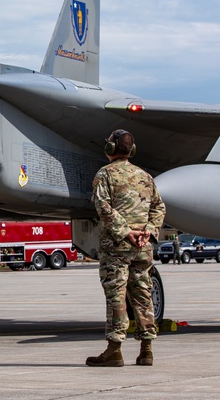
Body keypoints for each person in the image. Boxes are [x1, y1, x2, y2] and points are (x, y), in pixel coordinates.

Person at [86, 129, 166, 367]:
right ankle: (146, 350)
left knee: (116, 296)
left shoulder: (105, 175)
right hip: (142, 248)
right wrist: (148, 232)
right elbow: (159, 207)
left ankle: (114, 350)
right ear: (132, 150)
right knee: (142, 295)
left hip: (117, 247)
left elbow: (103, 208)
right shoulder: (145, 176)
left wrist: (125, 232)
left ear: (110, 149)